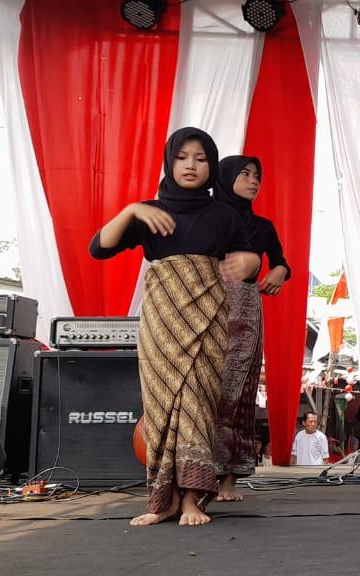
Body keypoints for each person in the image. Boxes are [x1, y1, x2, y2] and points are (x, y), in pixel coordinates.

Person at [89, 127, 260, 527]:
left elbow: (250, 261)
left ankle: (192, 501)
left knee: (199, 404)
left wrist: (249, 263)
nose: (191, 166)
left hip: (208, 321)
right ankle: (164, 501)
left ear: (211, 165)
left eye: (201, 159)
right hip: (161, 322)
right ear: (169, 161)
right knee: (162, 407)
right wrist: (131, 210)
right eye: (182, 157)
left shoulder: (223, 214)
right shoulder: (150, 212)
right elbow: (98, 248)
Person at [211, 155, 290, 503]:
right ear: (225, 178)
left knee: (240, 394)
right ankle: (196, 475)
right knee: (205, 391)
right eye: (244, 174)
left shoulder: (263, 227)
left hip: (245, 311)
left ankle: (230, 478)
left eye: (257, 175)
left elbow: (281, 262)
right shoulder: (207, 218)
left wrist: (280, 271)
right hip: (207, 308)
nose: (254, 181)